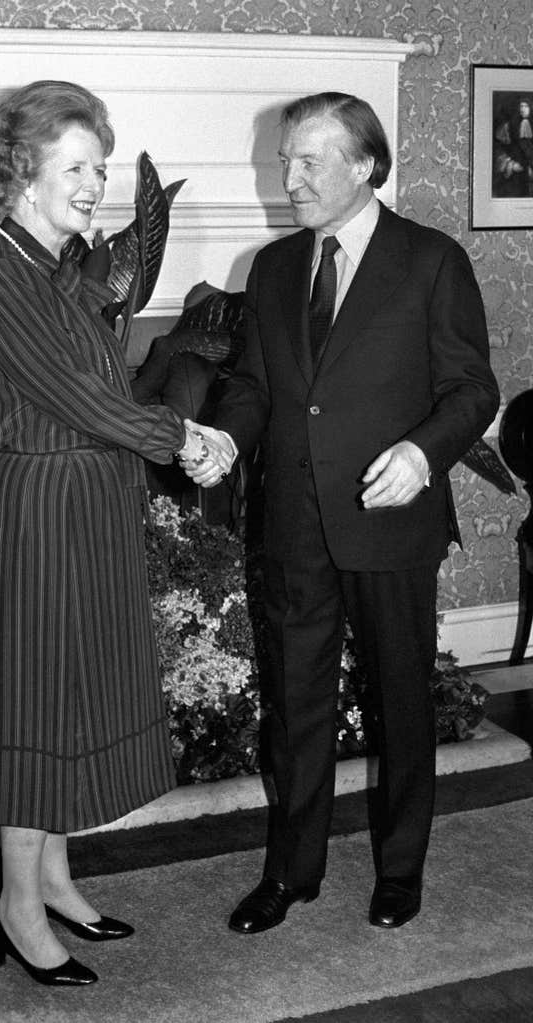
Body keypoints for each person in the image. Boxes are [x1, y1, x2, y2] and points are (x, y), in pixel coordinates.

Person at [183, 91, 500, 934]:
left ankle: (400, 871)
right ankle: (291, 872)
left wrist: (423, 452)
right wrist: (222, 435)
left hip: (390, 521)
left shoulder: (431, 261)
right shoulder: (275, 265)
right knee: (296, 705)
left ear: (364, 165)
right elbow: (255, 387)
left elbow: (472, 387)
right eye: (285, 158)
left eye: (308, 161)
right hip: (293, 521)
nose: (288, 177)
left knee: (401, 701)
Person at [0, 80, 208, 986]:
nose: (97, 181)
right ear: (23, 173)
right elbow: (90, 404)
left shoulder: (61, 277)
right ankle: (14, 907)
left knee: (66, 695)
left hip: (86, 513)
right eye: (78, 166)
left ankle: (53, 878)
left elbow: (97, 400)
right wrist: (185, 436)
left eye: (101, 165)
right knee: (33, 697)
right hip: (38, 519)